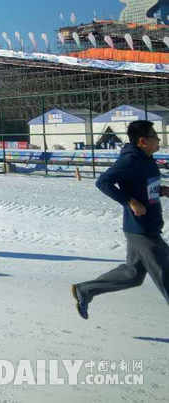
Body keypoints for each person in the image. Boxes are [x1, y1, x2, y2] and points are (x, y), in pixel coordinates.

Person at [72, 120, 169, 319]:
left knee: (132, 275)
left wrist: (161, 191)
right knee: (165, 270)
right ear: (143, 141)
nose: (158, 140)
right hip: (141, 228)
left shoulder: (147, 159)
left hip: (146, 225)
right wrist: (131, 201)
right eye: (155, 137)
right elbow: (103, 182)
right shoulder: (131, 160)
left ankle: (85, 290)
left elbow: (142, 186)